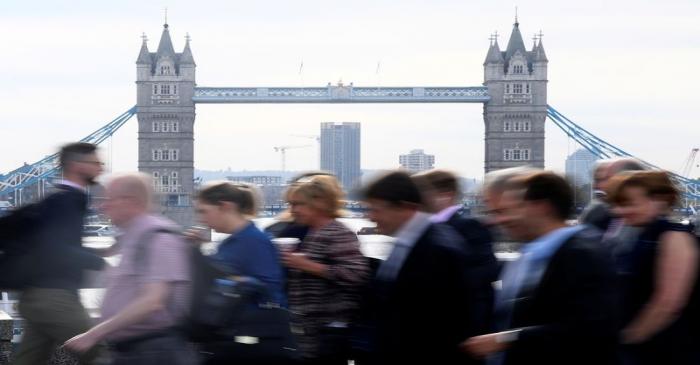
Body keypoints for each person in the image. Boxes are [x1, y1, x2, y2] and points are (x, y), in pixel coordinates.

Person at [461, 171, 618, 365]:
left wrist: (503, 340)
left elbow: (585, 328)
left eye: (510, 210)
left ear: (541, 207)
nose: (498, 220)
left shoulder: (583, 254)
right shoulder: (531, 252)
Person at [64, 173, 195, 364]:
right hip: (132, 351)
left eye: (109, 199)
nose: (103, 206)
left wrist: (93, 335)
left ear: (130, 201)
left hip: (154, 353)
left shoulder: (158, 237)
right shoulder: (133, 235)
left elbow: (152, 302)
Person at [362, 171, 482, 365]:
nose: (370, 217)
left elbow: (439, 328)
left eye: (376, 210)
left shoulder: (438, 250)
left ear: (405, 207)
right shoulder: (412, 242)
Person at [13, 142, 106, 365]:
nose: (101, 168)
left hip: (36, 298)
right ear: (76, 166)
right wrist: (102, 263)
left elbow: (56, 244)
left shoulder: (56, 199)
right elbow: (56, 248)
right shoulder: (68, 200)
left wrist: (105, 250)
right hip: (56, 298)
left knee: (29, 361)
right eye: (95, 163)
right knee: (99, 352)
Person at [608, 171, 699, 364]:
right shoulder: (644, 235)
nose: (619, 211)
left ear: (660, 200)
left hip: (667, 351)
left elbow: (668, 304)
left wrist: (628, 338)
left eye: (629, 203)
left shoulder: (674, 238)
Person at [281, 174, 369, 364]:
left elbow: (357, 273)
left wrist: (309, 266)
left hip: (328, 335)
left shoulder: (337, 233)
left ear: (319, 203)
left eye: (298, 204)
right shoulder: (314, 232)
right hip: (310, 335)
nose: (293, 210)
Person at [412, 169, 498, 335]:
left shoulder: (469, 226)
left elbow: (483, 275)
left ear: (446, 195)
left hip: (464, 328)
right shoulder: (424, 229)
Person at [194, 181, 286, 305]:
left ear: (225, 206)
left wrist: (232, 280)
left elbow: (271, 290)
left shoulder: (254, 241)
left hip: (252, 321)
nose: (201, 219)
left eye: (204, 212)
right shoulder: (231, 242)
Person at [579, 158, 645, 231]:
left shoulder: (652, 222)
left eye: (603, 179)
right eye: (596, 180)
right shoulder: (596, 212)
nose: (595, 186)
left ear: (629, 180)